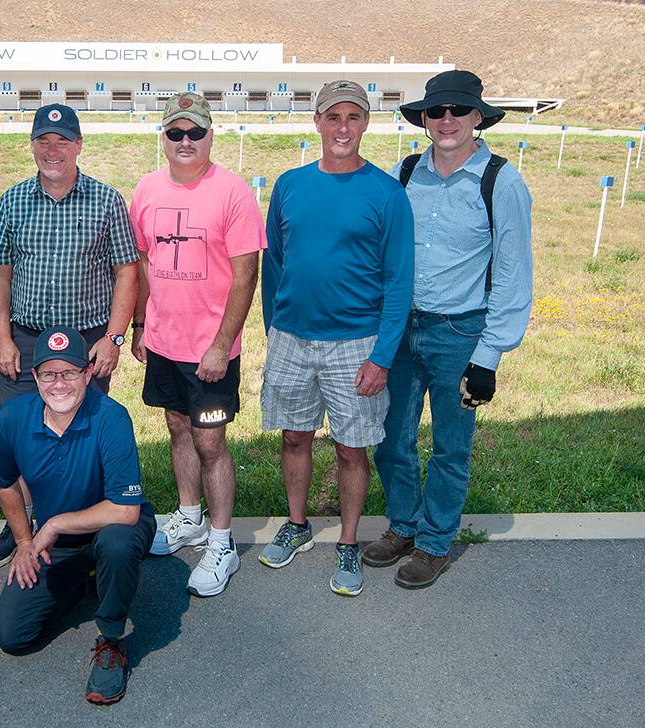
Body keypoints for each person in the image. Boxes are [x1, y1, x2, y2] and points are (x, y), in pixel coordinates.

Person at [367, 70, 533, 588]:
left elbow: (512, 272)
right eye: (436, 111)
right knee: (390, 437)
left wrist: (488, 357)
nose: (446, 120)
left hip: (460, 334)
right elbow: (379, 249)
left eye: (458, 110)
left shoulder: (501, 182)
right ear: (423, 118)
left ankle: (435, 542)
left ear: (477, 117)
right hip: (400, 330)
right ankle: (404, 525)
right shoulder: (404, 172)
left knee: (449, 447)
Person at [258, 80, 414, 597]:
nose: (342, 127)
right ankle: (297, 524)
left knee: (351, 449)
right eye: (333, 117)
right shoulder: (290, 185)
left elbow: (399, 281)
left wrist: (382, 356)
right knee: (294, 437)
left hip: (356, 342)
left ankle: (348, 541)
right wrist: (275, 328)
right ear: (317, 122)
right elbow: (275, 264)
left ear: (365, 123)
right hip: (291, 338)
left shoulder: (387, 194)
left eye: (353, 117)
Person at [0, 103, 139, 568]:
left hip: (86, 341)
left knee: (83, 435)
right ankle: (22, 528)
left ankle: (83, 526)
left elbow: (126, 270)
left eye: (62, 141)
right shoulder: (13, 200)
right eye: (44, 141)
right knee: (21, 434)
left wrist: (114, 337)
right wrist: (2, 336)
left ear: (78, 146)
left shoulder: (106, 200)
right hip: (26, 339)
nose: (53, 150)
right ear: (32, 145)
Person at [129, 92, 266, 597]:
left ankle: (222, 542)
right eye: (175, 132)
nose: (185, 141)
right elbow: (143, 262)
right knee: (176, 426)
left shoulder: (233, 193)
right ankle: (189, 516)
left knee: (210, 441)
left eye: (195, 132)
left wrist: (221, 344)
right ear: (163, 137)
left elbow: (246, 275)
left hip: (210, 349)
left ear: (211, 135)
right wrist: (142, 325)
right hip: (165, 342)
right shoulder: (146, 190)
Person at [0, 326, 156, 705]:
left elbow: (126, 510)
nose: (59, 384)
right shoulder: (11, 419)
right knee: (13, 635)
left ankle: (111, 640)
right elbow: (3, 481)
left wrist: (53, 525)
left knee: (117, 544)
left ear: (88, 374)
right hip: (58, 543)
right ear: (35, 376)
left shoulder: (111, 417)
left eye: (70, 373)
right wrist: (24, 541)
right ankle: (85, 578)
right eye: (49, 374)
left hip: (113, 526)